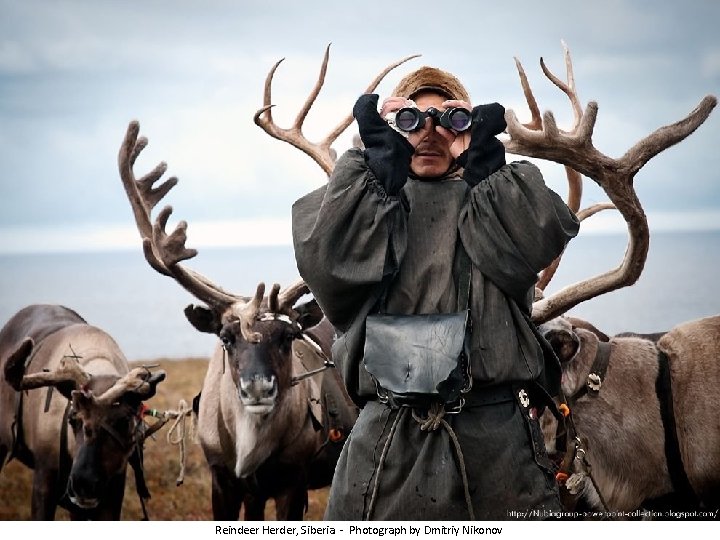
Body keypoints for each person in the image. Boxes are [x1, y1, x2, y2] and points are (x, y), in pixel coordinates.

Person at [291, 66, 580, 520]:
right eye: (410, 119)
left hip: (496, 448)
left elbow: (539, 237)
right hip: (388, 447)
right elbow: (326, 265)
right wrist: (374, 180)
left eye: (448, 120)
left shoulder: (496, 204)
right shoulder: (364, 209)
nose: (429, 132)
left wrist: (488, 173)